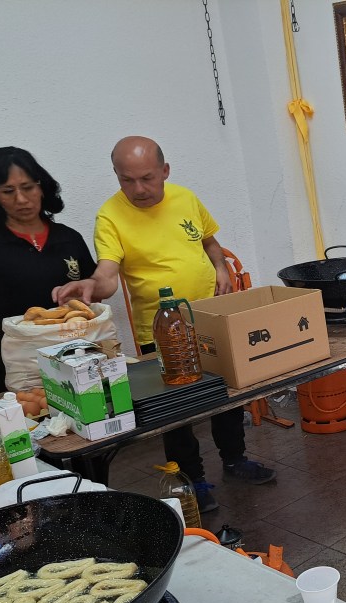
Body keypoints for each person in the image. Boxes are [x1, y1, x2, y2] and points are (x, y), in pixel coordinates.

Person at [53, 136, 275, 513]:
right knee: (176, 413)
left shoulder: (186, 198)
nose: (138, 189)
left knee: (227, 394)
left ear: (165, 171)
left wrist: (221, 267)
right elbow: (107, 274)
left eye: (147, 178)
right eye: (127, 180)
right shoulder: (110, 215)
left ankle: (235, 460)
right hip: (161, 330)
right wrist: (92, 285)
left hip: (210, 318)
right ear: (116, 176)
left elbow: (210, 242)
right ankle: (191, 481)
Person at [0, 147, 96, 392]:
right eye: (8, 191)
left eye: (28, 187)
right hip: (21, 371)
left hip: (80, 357)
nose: (21, 199)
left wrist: (89, 289)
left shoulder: (70, 238)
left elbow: (94, 293)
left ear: (41, 187)